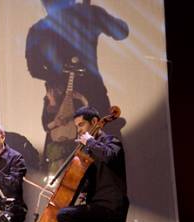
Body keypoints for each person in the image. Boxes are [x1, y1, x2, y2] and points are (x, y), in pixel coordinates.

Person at [25, 0, 129, 173]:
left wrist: (95, 16)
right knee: (60, 159)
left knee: (103, 157)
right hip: (62, 102)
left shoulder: (39, 29)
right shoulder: (40, 29)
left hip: (88, 97)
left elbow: (121, 32)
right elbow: (34, 69)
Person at [40, 106, 129, 222]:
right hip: (96, 206)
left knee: (64, 216)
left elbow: (110, 157)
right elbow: (84, 182)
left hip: (111, 206)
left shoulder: (112, 142)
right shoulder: (88, 152)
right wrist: (68, 192)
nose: (79, 130)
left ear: (95, 122)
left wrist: (90, 142)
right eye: (77, 126)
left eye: (81, 125)